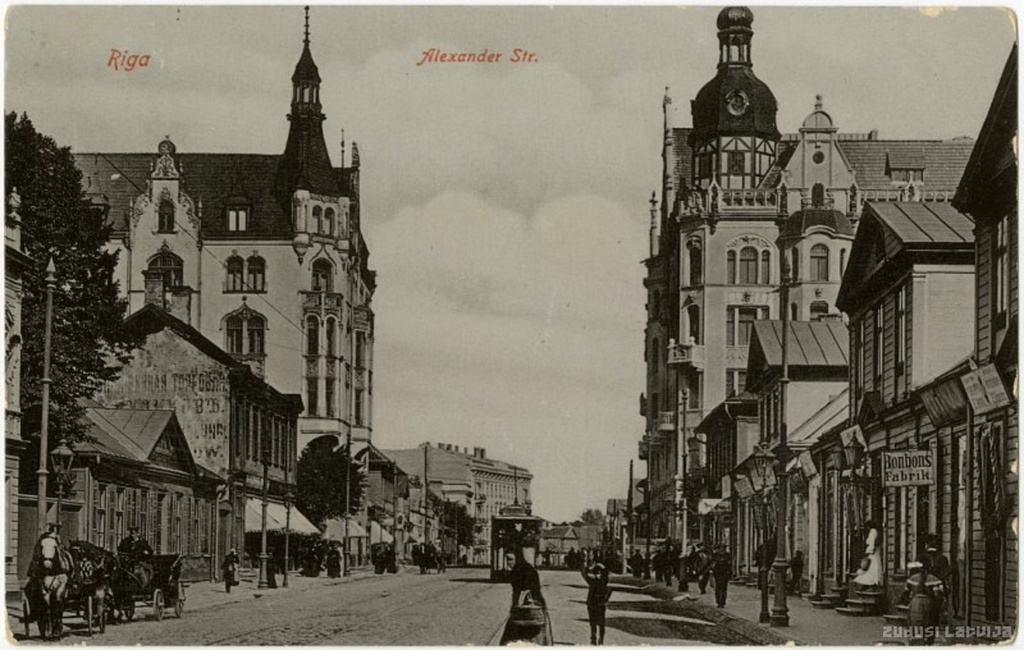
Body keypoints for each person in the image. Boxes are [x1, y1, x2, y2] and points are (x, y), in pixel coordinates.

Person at [500, 548, 549, 645]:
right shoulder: (517, 570)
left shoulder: (526, 570)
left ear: (518, 558)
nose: (508, 562)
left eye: (510, 559)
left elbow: (529, 589)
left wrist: (518, 603)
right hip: (525, 610)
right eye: (507, 559)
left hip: (531, 610)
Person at [904, 556, 944, 645]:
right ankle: (928, 641)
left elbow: (906, 593)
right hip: (928, 603)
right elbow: (937, 595)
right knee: (929, 622)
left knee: (915, 622)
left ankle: (915, 640)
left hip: (915, 603)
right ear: (929, 566)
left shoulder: (911, 579)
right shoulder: (934, 579)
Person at [581, 555, 611, 645]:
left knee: (601, 623)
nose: (598, 575)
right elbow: (584, 573)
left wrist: (596, 566)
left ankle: (600, 640)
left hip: (599, 604)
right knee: (593, 622)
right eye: (597, 573)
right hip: (593, 604)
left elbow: (585, 573)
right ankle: (594, 638)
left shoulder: (602, 581)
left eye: (600, 573)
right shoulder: (594, 581)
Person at [853, 520, 882, 587]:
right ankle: (875, 581)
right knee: (874, 566)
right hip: (875, 551)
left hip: (873, 552)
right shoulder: (875, 531)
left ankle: (872, 582)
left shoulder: (873, 531)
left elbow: (872, 542)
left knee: (872, 566)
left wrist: (869, 551)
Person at [710, 544, 733, 608]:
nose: (722, 549)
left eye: (724, 548)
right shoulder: (715, 555)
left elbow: (729, 565)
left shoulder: (727, 555)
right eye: (721, 548)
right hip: (718, 573)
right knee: (719, 588)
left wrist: (730, 573)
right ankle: (719, 601)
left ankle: (722, 601)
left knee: (723, 588)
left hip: (724, 573)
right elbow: (712, 564)